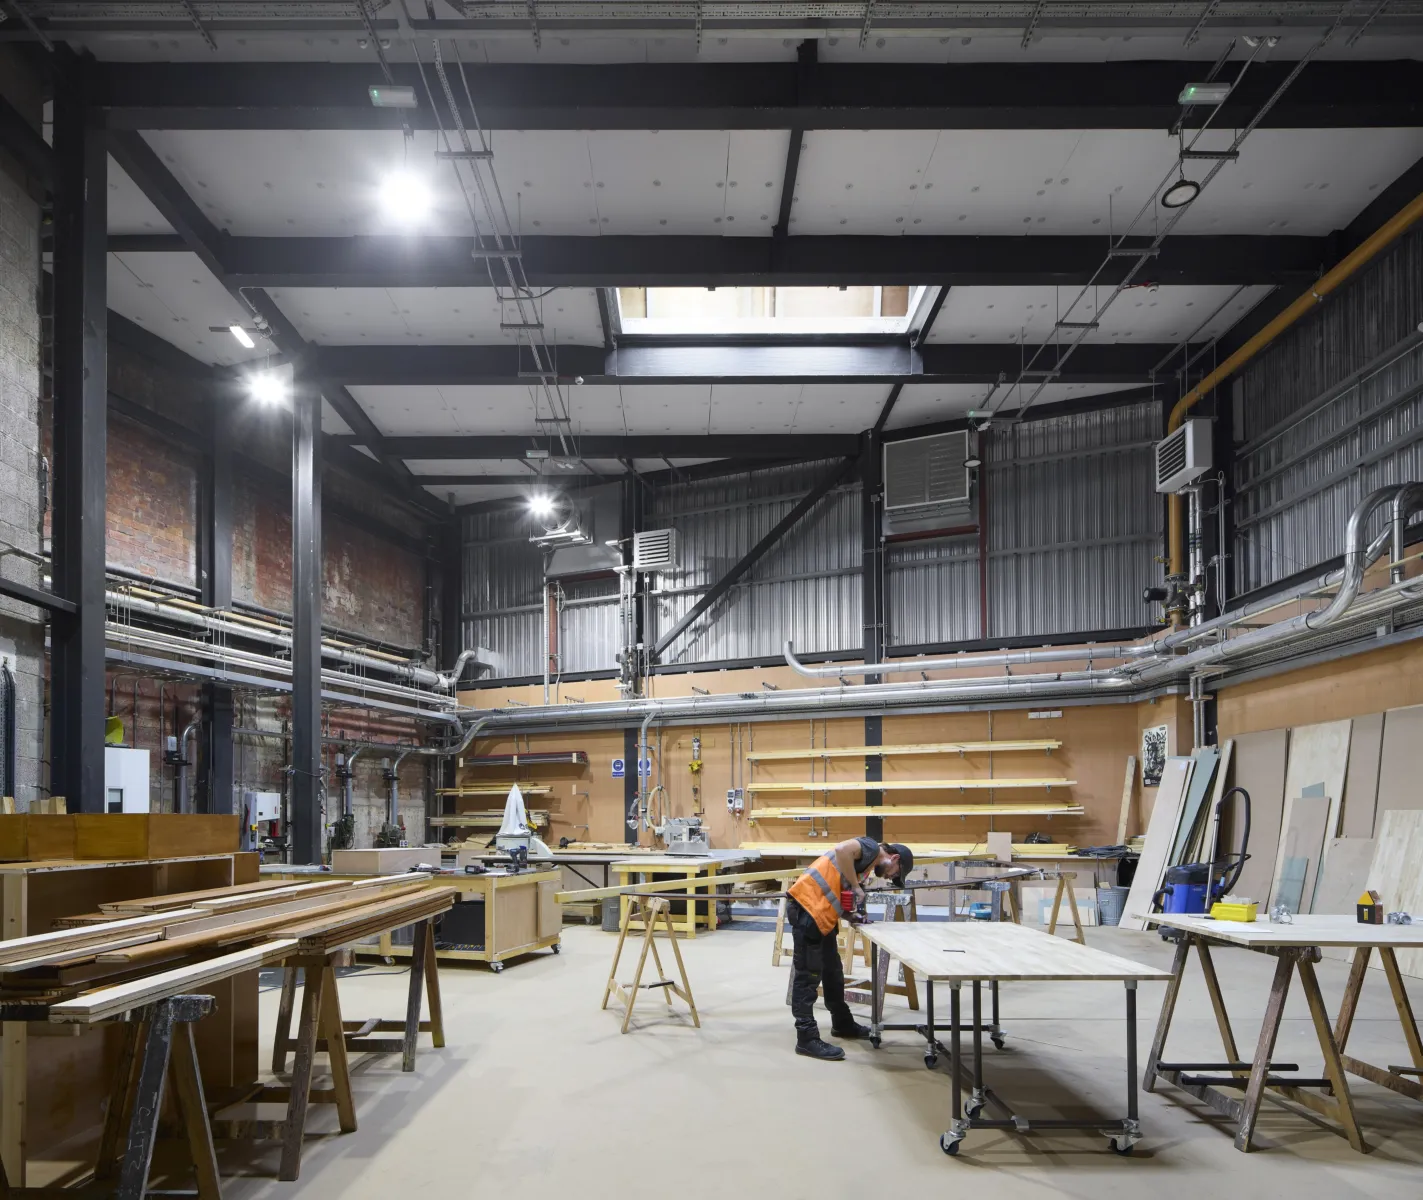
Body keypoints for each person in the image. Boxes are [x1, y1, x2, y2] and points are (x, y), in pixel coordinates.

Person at [784, 837, 914, 1060]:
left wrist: (849, 915)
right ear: (894, 858)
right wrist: (856, 887)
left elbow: (832, 889)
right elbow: (841, 849)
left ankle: (842, 1023)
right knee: (808, 976)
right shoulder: (871, 848)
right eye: (895, 873)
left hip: (820, 915)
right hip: (807, 909)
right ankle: (806, 1038)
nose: (890, 878)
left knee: (833, 972)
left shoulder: (864, 866)